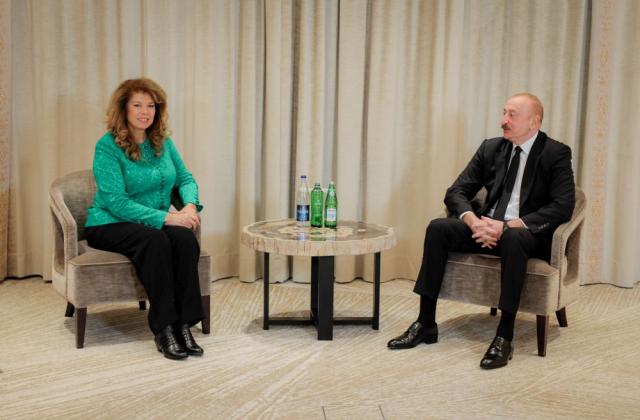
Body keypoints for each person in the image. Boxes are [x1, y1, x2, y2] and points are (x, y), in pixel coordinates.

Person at [387, 93, 575, 369]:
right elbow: (456, 191)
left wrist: (507, 226)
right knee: (438, 228)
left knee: (513, 237)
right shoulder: (491, 148)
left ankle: (504, 336)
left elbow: (562, 207)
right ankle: (425, 323)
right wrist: (475, 222)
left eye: (512, 115)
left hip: (525, 235)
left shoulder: (555, 153)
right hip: (485, 229)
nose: (503, 120)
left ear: (534, 122)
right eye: (504, 112)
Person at [85, 78, 205, 360]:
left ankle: (184, 324)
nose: (145, 112)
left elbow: (185, 179)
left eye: (151, 106)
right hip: (109, 222)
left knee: (185, 239)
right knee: (155, 242)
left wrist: (189, 206)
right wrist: (168, 218)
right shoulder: (107, 146)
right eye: (137, 105)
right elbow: (116, 202)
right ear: (124, 108)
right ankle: (164, 328)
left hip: (155, 221)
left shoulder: (163, 142)